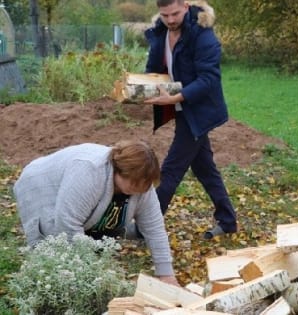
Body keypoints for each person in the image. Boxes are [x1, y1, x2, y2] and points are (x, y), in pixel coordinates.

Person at [13, 140, 179, 286]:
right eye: (135, 183)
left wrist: (166, 274)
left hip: (77, 195)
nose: (140, 188)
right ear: (120, 171)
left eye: (144, 184)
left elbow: (155, 229)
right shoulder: (89, 172)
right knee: (52, 250)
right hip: (39, 185)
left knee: (88, 252)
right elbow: (67, 223)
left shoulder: (142, 183)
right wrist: (93, 271)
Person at [143, 0, 237, 239]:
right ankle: (227, 221)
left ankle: (147, 228)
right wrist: (138, 89)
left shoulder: (203, 35)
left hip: (199, 111)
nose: (171, 20)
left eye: (175, 13)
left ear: (186, 5)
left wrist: (177, 97)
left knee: (171, 169)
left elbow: (209, 79)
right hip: (181, 108)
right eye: (165, 15)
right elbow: (154, 70)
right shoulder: (160, 32)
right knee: (205, 168)